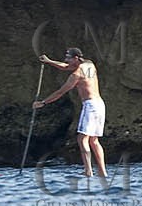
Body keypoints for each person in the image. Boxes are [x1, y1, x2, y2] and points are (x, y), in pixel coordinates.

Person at [34, 47, 107, 178]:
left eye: (68, 58)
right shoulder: (89, 64)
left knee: (82, 138)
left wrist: (43, 102)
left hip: (90, 105)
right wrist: (49, 61)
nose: (66, 60)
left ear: (76, 58)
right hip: (100, 105)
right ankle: (102, 172)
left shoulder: (76, 75)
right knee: (94, 140)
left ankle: (88, 171)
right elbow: (64, 66)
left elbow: (61, 92)